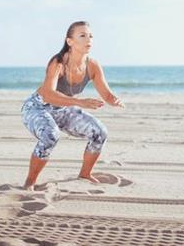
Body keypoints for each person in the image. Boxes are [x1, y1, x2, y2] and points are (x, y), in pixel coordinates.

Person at [21, 21, 125, 190]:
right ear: (70, 41)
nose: (88, 39)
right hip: (37, 107)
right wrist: (79, 102)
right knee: (51, 136)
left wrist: (114, 100)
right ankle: (29, 183)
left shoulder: (92, 65)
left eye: (90, 36)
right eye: (82, 35)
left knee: (100, 133)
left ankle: (85, 174)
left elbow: (106, 94)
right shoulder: (58, 62)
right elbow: (48, 94)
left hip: (63, 109)